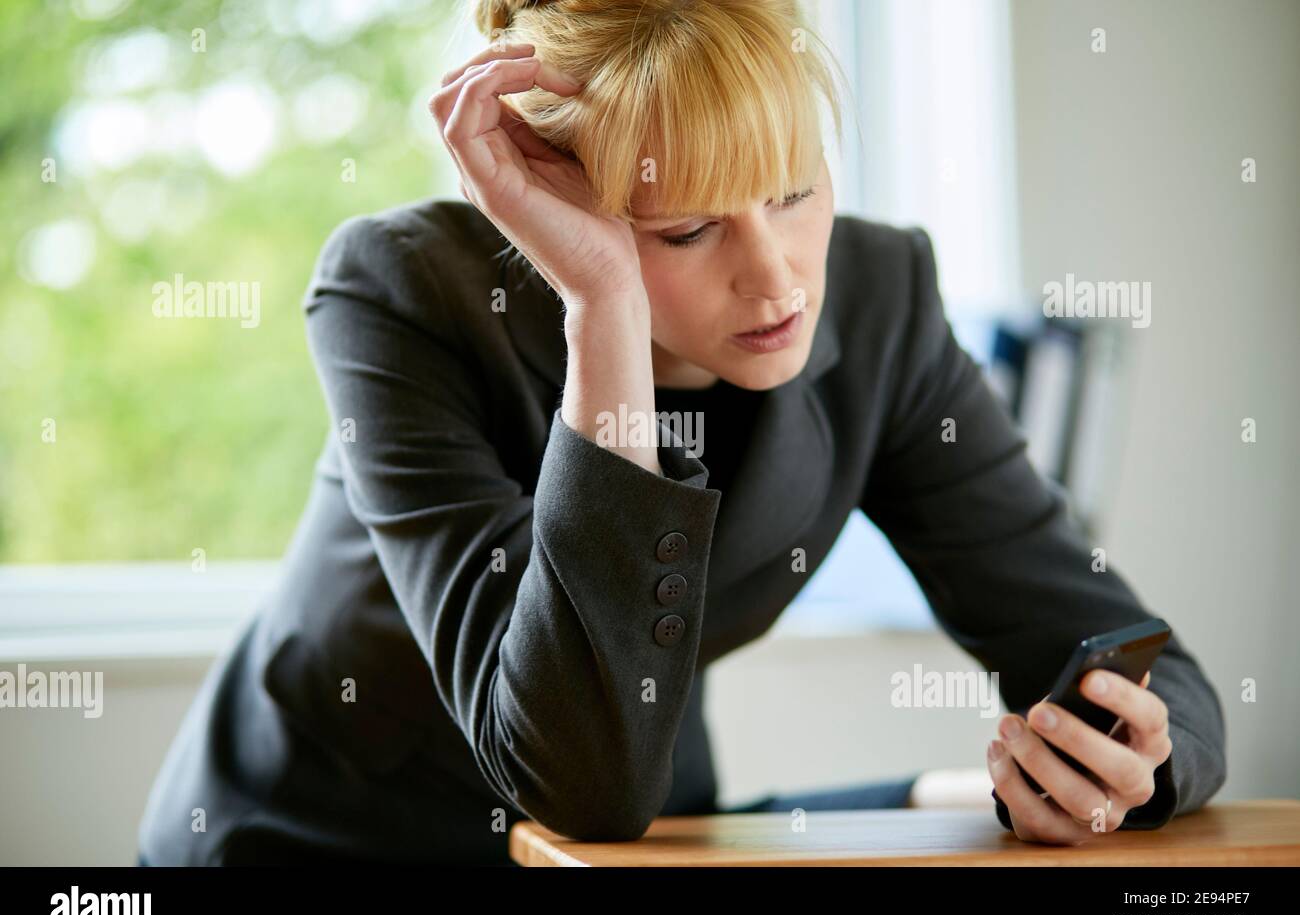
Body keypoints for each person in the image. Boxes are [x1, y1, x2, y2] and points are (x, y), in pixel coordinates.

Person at [136, 0, 1225, 865]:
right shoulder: (407, 292)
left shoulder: (880, 294)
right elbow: (576, 785)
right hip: (330, 840)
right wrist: (603, 308)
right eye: (689, 228)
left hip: (645, 839)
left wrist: (1127, 760)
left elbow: (1145, 661)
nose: (776, 275)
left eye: (795, 189)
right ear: (556, 204)